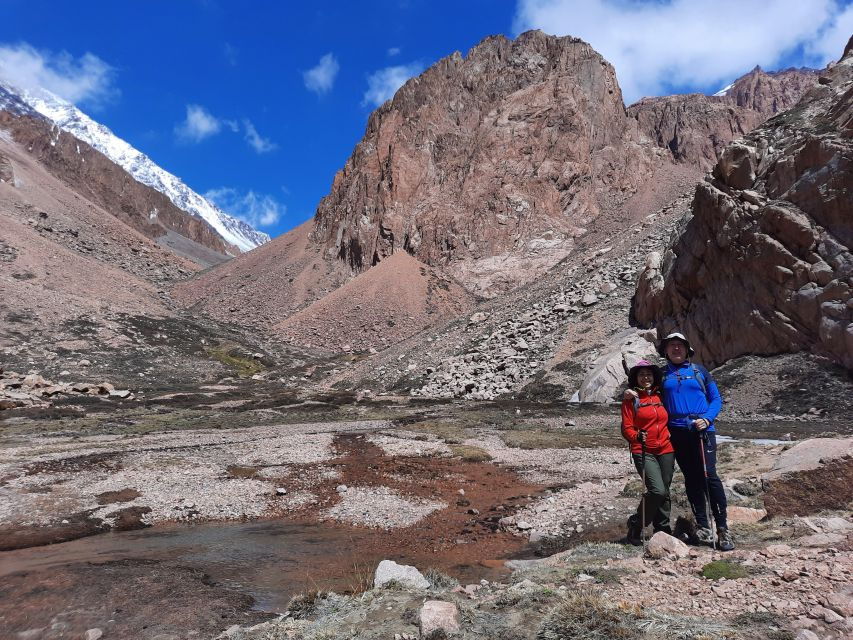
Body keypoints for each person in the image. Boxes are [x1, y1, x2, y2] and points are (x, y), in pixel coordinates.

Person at [654, 332, 734, 551]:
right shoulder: (661, 375)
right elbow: (648, 397)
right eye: (671, 346)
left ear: (687, 349)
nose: (676, 349)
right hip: (677, 432)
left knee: (709, 475)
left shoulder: (700, 371)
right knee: (691, 478)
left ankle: (723, 528)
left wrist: (707, 419)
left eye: (679, 345)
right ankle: (702, 524)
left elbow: (716, 399)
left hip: (702, 430)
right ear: (666, 351)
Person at [621, 360, 674, 545]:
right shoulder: (631, 400)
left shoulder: (661, 395)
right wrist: (637, 436)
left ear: (654, 377)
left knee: (665, 490)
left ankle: (663, 528)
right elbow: (626, 428)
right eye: (642, 375)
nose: (646, 378)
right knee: (657, 490)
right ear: (636, 378)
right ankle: (637, 523)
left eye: (649, 374)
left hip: (666, 448)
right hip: (643, 449)